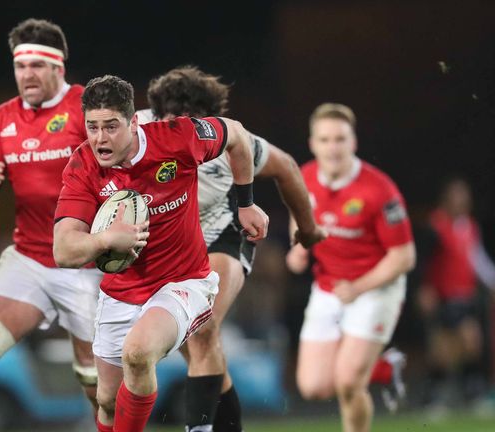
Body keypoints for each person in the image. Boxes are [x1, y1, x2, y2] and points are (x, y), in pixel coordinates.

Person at [53, 74, 270, 432]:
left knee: (138, 354)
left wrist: (245, 203)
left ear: (134, 121)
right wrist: (108, 239)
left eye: (110, 126)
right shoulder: (83, 166)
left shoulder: (178, 138)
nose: (100, 138)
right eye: (92, 127)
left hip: (185, 282)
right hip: (121, 291)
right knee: (106, 400)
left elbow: (237, 135)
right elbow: (64, 249)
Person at [139, 66, 325, 432]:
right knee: (193, 346)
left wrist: (308, 228)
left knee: (201, 328)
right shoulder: (135, 131)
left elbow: (287, 167)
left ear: (206, 120)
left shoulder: (229, 139)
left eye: (186, 124)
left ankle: (200, 429)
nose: (176, 133)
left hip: (221, 235)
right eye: (167, 121)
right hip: (169, 246)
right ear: (156, 115)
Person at [0, 18, 103, 431]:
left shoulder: (89, 109)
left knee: (98, 385)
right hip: (31, 261)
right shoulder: (2, 119)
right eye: (21, 66)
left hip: (89, 267)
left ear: (59, 67)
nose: (27, 75)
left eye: (37, 65)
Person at [286, 103, 416, 432]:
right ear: (313, 143)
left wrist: (358, 288)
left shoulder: (380, 190)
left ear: (353, 142)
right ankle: (383, 367)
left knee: (347, 383)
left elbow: (404, 257)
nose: (333, 147)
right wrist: (298, 249)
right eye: (325, 139)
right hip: (330, 287)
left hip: (375, 288)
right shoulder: (304, 176)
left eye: (340, 139)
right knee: (313, 387)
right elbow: (299, 216)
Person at [418, 178, 495, 410]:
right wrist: (424, 289)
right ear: (447, 198)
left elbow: (477, 260)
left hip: (465, 296)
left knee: (465, 344)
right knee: (449, 347)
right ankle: (439, 396)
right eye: (456, 195)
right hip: (443, 296)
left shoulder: (469, 226)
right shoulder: (435, 225)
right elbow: (423, 260)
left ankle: (463, 392)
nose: (461, 200)